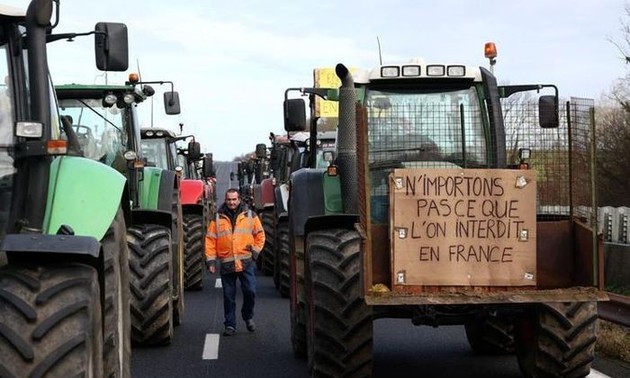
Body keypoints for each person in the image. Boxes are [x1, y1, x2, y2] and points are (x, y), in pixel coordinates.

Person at [205, 188, 265, 336]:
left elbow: (260, 235)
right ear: (225, 200)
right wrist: (211, 261)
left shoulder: (250, 215)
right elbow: (210, 240)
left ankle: (247, 316)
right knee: (228, 296)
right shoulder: (217, 218)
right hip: (227, 263)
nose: (231, 202)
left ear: (239, 200)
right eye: (229, 200)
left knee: (250, 291)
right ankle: (230, 325)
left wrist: (255, 253)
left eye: (234, 199)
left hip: (246, 262)